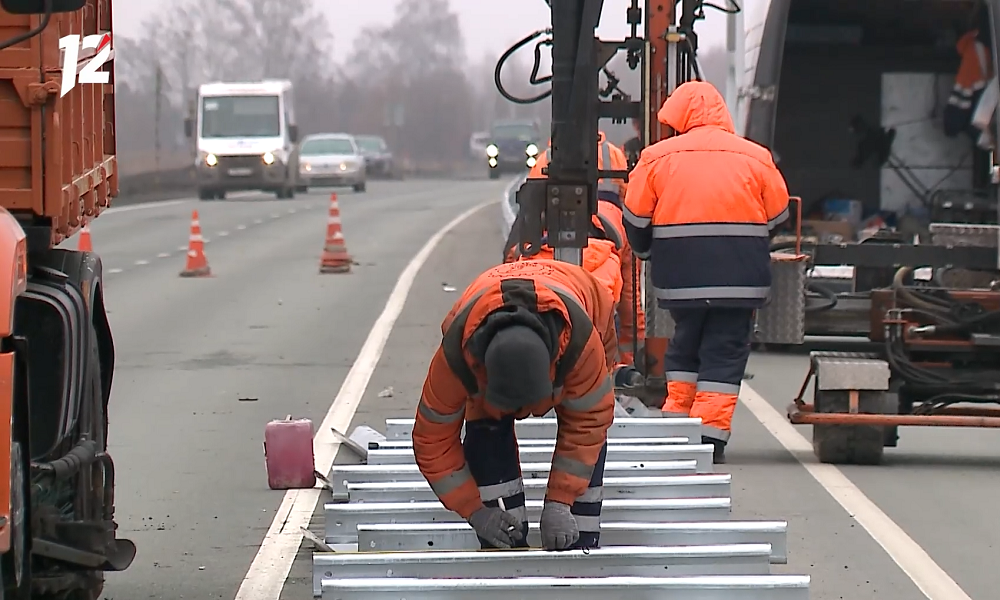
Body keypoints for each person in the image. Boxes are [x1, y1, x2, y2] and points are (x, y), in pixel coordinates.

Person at [622, 80, 790, 463]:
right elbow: (778, 214)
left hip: (679, 277)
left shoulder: (655, 157)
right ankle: (710, 438)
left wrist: (648, 251)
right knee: (724, 353)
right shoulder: (756, 156)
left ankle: (676, 427)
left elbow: (636, 218)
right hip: (740, 279)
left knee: (685, 345)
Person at [412, 259, 617, 550]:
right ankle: (507, 543)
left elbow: (589, 424)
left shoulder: (582, 345)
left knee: (587, 453)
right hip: (486, 347)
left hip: (585, 304)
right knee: (486, 437)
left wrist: (561, 502)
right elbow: (432, 441)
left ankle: (581, 548)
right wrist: (475, 511)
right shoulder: (458, 357)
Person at [504, 131, 646, 371]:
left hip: (560, 249)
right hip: (610, 236)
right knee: (621, 304)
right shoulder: (613, 155)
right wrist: (632, 362)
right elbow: (628, 202)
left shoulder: (546, 158)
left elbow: (530, 211)